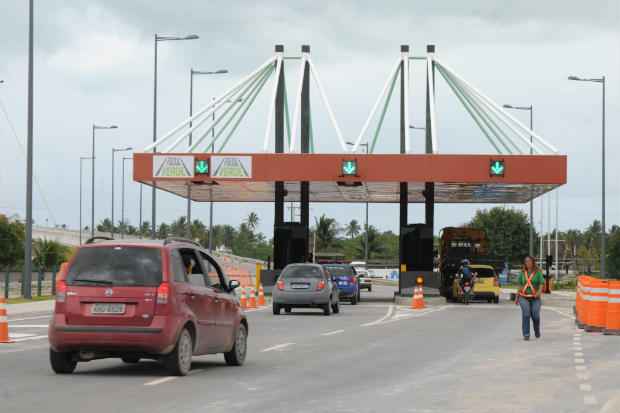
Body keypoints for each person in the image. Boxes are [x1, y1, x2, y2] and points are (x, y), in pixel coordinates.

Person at [517, 255, 545, 340]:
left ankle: (537, 330)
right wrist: (519, 292)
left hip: (535, 297)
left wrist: (539, 292)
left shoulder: (538, 272)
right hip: (523, 297)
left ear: (533, 262)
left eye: (529, 261)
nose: (528, 263)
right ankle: (526, 334)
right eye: (526, 261)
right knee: (526, 314)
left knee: (535, 315)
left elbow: (541, 283)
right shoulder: (522, 272)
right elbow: (519, 284)